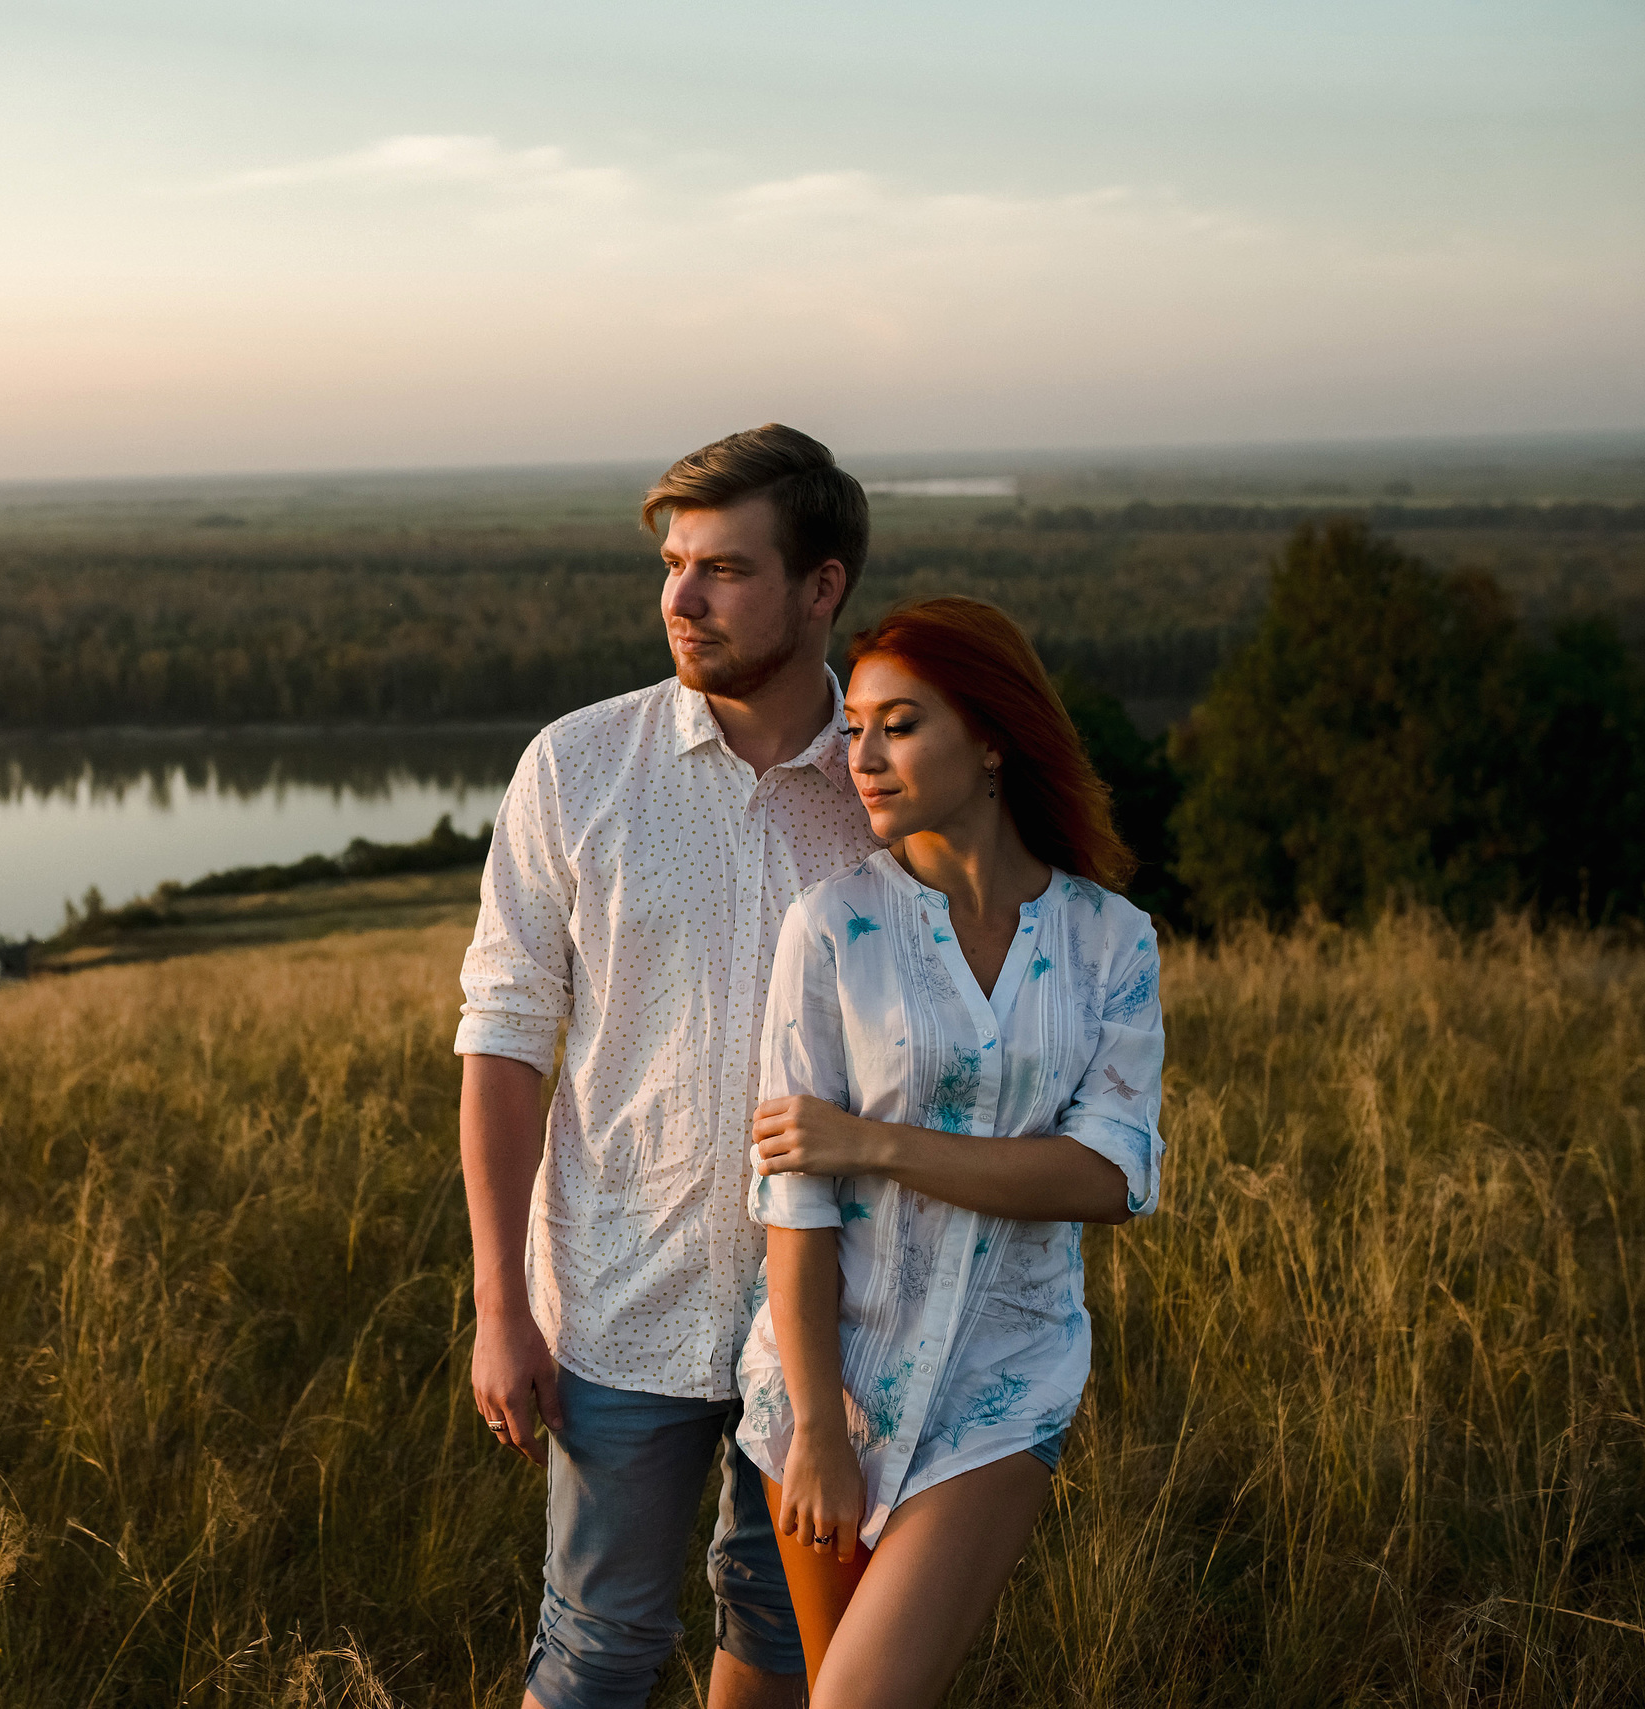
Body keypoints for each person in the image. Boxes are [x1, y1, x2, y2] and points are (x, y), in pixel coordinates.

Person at [457, 424, 884, 1709]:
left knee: (783, 1634)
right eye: (672, 563)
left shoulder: (891, 781)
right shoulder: (578, 766)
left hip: (837, 1322)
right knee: (596, 1649)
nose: (679, 600)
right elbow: (505, 1037)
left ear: (823, 587)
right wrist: (498, 1304)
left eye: (724, 569)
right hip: (614, 1296)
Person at [735, 596, 1166, 1708]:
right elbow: (797, 1204)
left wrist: (869, 1141)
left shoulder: (1107, 940)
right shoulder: (829, 928)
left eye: (899, 725)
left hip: (1000, 1383)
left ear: (990, 739)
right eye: (856, 727)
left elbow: (1106, 1178)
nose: (861, 757)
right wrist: (820, 1429)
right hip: (827, 1395)